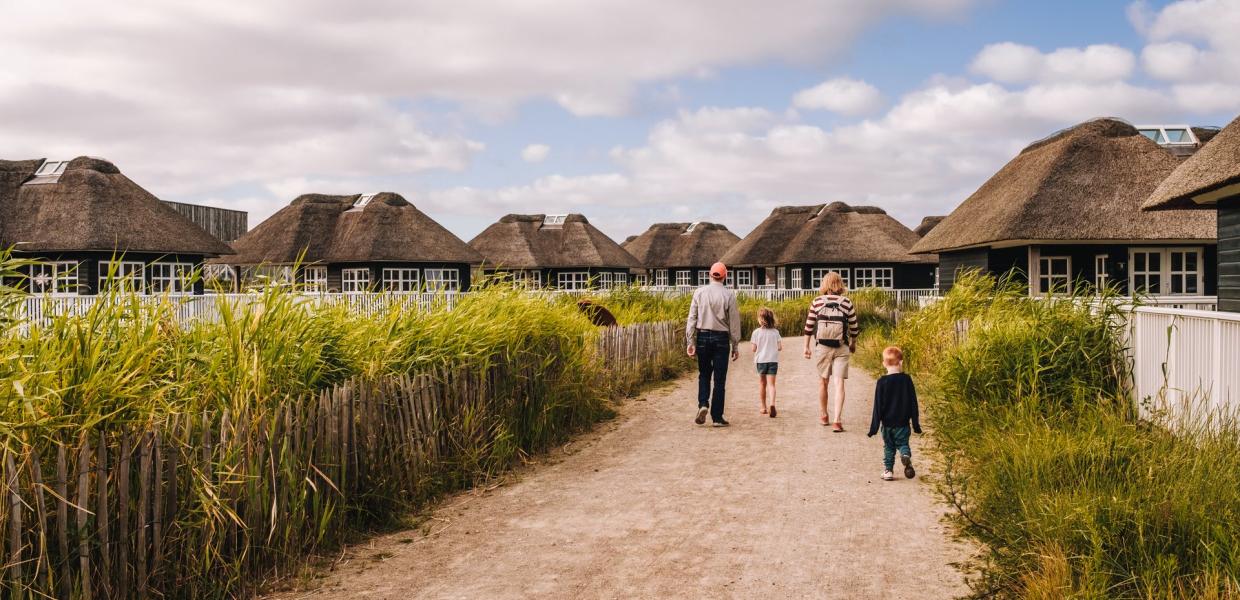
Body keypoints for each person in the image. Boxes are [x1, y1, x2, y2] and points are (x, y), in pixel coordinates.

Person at [685, 262, 741, 427]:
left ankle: (703, 404)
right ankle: (717, 417)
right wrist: (735, 345)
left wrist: (690, 341)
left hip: (703, 336)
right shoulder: (729, 295)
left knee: (704, 374)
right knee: (719, 379)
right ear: (725, 276)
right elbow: (734, 323)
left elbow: (692, 318)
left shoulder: (699, 293)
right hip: (721, 338)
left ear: (710, 275)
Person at [802, 271, 859, 432]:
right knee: (839, 383)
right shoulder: (846, 302)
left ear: (824, 284)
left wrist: (806, 347)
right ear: (840, 284)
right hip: (841, 346)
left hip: (822, 347)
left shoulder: (817, 301)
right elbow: (854, 327)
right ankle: (837, 420)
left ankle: (824, 415)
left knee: (823, 382)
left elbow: (809, 326)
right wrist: (853, 343)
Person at [867, 346, 922, 481]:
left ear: (884, 364)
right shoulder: (907, 380)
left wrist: (874, 428)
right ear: (901, 362)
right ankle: (905, 455)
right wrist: (916, 425)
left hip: (887, 425)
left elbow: (877, 406)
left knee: (889, 447)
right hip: (903, 424)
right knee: (903, 444)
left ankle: (888, 471)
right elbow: (913, 403)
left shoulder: (881, 382)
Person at [750, 307, 782, 417]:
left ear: (761, 319)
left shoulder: (756, 332)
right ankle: (772, 404)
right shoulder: (776, 332)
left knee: (762, 384)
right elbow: (780, 347)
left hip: (761, 361)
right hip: (773, 360)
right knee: (771, 385)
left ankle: (763, 407)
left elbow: (753, 349)